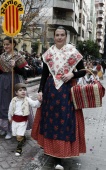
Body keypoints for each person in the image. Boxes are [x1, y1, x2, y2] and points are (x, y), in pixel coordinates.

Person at [31, 26, 86, 170]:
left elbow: (83, 71)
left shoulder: (73, 52)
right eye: (57, 35)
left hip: (67, 92)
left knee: (65, 121)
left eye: (62, 35)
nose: (60, 37)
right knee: (50, 120)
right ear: (54, 36)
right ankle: (52, 151)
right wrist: (40, 91)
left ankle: (60, 157)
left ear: (66, 37)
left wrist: (72, 74)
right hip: (51, 91)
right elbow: (44, 75)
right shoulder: (48, 54)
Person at [0, 36, 33, 140]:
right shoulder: (1, 57)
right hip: (2, 82)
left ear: (13, 44)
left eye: (7, 44)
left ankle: (10, 129)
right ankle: (3, 127)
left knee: (12, 105)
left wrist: (15, 67)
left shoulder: (18, 56)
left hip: (14, 82)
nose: (5, 46)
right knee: (1, 104)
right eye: (4, 44)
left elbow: (24, 72)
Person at [8, 83, 41, 156]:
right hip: (15, 120)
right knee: (16, 135)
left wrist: (39, 101)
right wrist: (9, 118)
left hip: (23, 121)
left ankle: (19, 149)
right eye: (20, 90)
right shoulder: (13, 100)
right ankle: (23, 138)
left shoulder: (27, 99)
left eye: (24, 90)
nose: (23, 92)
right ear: (16, 93)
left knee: (19, 136)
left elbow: (34, 104)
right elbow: (10, 109)